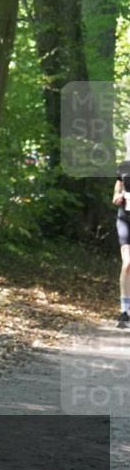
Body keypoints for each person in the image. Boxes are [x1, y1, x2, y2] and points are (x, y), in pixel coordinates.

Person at [113, 131, 130, 328]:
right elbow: (116, 193)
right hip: (125, 218)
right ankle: (124, 311)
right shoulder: (124, 167)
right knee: (127, 264)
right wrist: (118, 197)